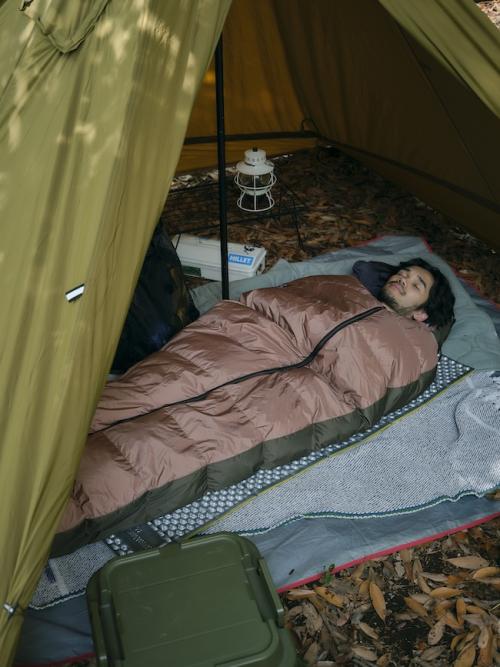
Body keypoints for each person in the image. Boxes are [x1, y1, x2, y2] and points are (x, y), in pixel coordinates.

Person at [355, 258, 455, 330]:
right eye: (401, 274)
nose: (402, 279)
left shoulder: (412, 346)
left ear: (421, 313)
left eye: (416, 285)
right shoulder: (355, 292)